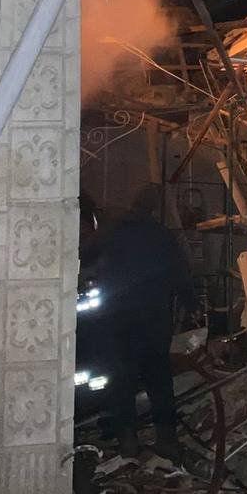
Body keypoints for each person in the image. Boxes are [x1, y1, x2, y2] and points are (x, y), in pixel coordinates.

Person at [92, 185, 198, 461]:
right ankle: (167, 439)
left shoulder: (112, 233)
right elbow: (180, 274)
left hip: (118, 319)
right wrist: (192, 305)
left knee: (121, 380)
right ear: (155, 208)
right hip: (153, 319)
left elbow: (89, 260)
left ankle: (128, 441)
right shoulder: (161, 236)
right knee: (159, 379)